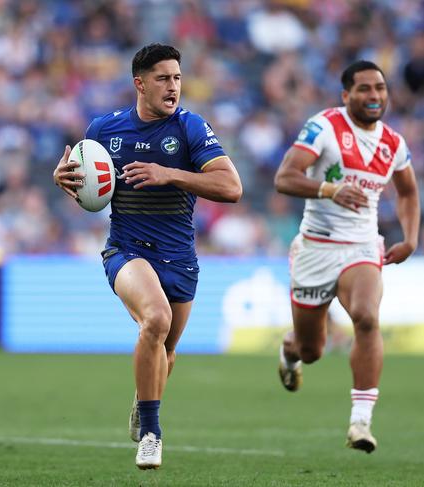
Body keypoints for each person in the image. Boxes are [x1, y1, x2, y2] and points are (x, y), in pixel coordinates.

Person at [53, 43, 242, 469]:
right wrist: (61, 177)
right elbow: (82, 182)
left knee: (166, 351)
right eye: (163, 78)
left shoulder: (191, 128)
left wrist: (170, 174)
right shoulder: (104, 129)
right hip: (128, 249)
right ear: (140, 83)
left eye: (177, 77)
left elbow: (232, 188)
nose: (173, 86)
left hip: (180, 259)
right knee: (155, 319)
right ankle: (153, 433)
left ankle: (144, 400)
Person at [274, 60, 420, 453]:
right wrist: (329, 190)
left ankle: (360, 422)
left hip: (361, 246)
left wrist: (409, 238)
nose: (374, 96)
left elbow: (407, 191)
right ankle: (290, 352)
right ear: (346, 95)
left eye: (380, 88)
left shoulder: (393, 143)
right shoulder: (324, 127)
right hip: (316, 247)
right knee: (312, 350)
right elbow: (284, 177)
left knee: (367, 318)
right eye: (365, 89)